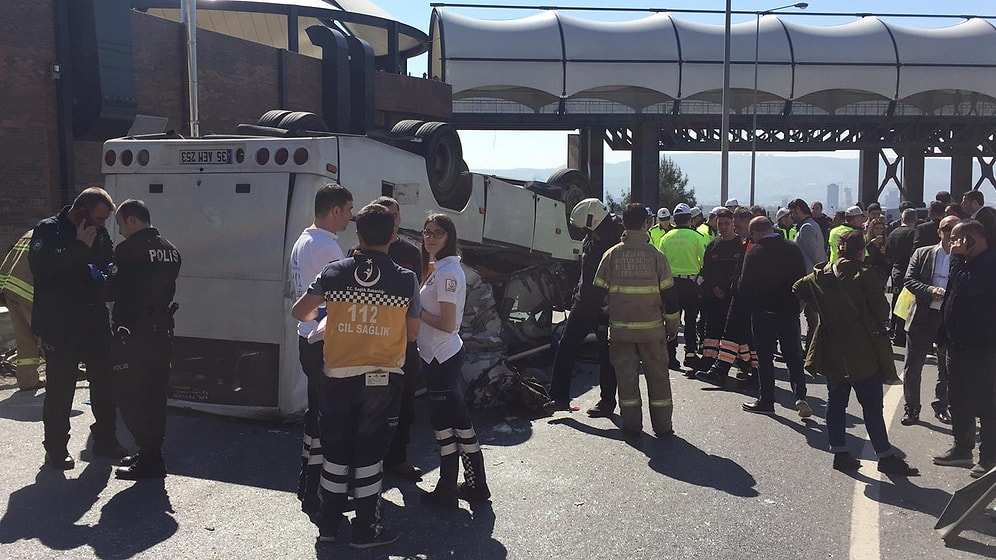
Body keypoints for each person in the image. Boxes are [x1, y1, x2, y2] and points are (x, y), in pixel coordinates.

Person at [291, 203, 420, 547]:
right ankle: (367, 530)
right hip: (382, 379)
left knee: (335, 453)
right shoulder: (406, 279)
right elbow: (411, 334)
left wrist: (334, 317)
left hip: (337, 374)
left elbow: (299, 311)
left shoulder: (335, 272)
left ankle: (329, 525)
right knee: (369, 455)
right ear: (394, 235)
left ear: (358, 235)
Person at [793, 231, 919, 475]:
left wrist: (819, 305)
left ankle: (840, 452)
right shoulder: (865, 276)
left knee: (836, 401)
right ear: (862, 251)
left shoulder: (821, 274)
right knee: (871, 405)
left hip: (832, 346)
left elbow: (797, 288)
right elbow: (882, 312)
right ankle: (884, 455)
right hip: (862, 348)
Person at [29, 187, 125, 470]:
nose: (102, 224)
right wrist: (78, 248)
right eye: (98, 218)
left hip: (93, 320)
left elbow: (106, 264)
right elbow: (41, 269)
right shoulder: (48, 230)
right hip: (60, 323)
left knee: (104, 384)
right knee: (61, 388)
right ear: (81, 212)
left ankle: (106, 440)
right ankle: (56, 449)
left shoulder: (99, 233)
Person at [288, 183, 353, 520]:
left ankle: (307, 481)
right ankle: (318, 487)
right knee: (326, 416)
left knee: (315, 412)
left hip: (306, 333)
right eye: (348, 209)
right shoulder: (328, 247)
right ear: (335, 210)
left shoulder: (304, 239)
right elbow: (340, 297)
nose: (351, 217)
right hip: (322, 337)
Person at [418, 213, 491, 508]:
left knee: (454, 423)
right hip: (436, 356)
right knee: (448, 424)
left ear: (450, 237)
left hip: (442, 357)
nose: (430, 237)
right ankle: (457, 485)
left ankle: (464, 486)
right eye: (427, 232)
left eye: (438, 232)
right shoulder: (440, 267)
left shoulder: (448, 272)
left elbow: (448, 323)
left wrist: (414, 310)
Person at [106, 199, 181, 480]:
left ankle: (150, 458)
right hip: (161, 332)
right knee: (154, 396)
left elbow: (113, 290)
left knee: (130, 395)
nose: (121, 232)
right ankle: (150, 453)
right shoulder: (171, 251)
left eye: (121, 225)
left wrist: (98, 280)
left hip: (133, 335)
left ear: (132, 221)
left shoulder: (128, 250)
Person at [592, 203, 681, 436]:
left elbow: (597, 295)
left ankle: (632, 427)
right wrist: (672, 325)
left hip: (620, 333)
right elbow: (669, 296)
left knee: (627, 382)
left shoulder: (610, 256)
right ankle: (663, 428)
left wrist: (609, 317)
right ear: (647, 224)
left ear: (623, 224)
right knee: (659, 380)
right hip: (652, 333)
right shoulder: (656, 257)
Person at [545, 198, 623, 416]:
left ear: (592, 220)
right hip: (587, 302)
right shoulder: (598, 234)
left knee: (604, 353)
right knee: (571, 346)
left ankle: (603, 402)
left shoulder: (611, 239)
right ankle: (565, 398)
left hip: (599, 304)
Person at [933, 220, 996, 478]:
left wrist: (956, 259)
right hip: (957, 345)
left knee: (984, 403)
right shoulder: (965, 264)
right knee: (958, 399)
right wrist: (942, 335)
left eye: (957, 239)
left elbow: (967, 287)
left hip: (981, 348)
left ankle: (990, 456)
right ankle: (962, 449)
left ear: (972, 239)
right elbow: (952, 297)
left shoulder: (989, 262)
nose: (951, 245)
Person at [369, 197, 425, 481]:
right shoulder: (358, 252)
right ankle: (367, 460)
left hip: (404, 341)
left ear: (399, 220)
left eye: (394, 215)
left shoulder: (411, 252)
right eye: (384, 216)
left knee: (404, 402)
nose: (390, 221)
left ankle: (397, 457)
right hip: (370, 342)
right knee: (370, 403)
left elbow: (417, 290)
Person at [738, 217, 810, 417]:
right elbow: (801, 279)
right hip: (789, 311)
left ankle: (767, 399)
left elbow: (744, 286)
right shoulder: (793, 249)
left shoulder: (755, 252)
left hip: (764, 312)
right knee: (793, 356)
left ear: (755, 233)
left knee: (765, 357)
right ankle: (800, 395)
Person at [900, 215, 958, 426]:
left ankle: (941, 406)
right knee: (913, 367)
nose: (951, 233)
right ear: (939, 232)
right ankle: (911, 409)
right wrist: (929, 290)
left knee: (946, 367)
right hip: (923, 316)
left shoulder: (964, 258)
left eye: (955, 229)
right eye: (947, 228)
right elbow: (909, 280)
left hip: (948, 319)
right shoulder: (922, 253)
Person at [693, 209, 747, 385]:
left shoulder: (742, 245)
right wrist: (713, 287)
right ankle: (710, 362)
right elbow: (706, 271)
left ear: (732, 223)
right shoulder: (712, 246)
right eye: (720, 224)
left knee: (738, 335)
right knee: (713, 332)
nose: (723, 227)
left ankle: (744, 367)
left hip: (735, 298)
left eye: (726, 224)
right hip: (715, 298)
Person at [658, 203, 706, 370]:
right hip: (691, 284)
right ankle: (690, 354)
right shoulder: (697, 237)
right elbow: (704, 261)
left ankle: (671, 357)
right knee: (691, 321)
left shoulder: (666, 237)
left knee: (672, 321)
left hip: (671, 285)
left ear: (674, 219)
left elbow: (660, 263)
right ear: (689, 219)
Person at [0, 230, 45, 391]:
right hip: (30, 290)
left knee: (24, 336)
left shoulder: (34, 232)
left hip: (9, 286)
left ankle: (28, 380)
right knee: (48, 334)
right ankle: (61, 373)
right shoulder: (60, 234)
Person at [787, 199, 828, 352]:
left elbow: (815, 255)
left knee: (797, 315)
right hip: (809, 278)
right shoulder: (810, 225)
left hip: (807, 278)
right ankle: (809, 349)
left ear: (798, 209)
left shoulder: (806, 228)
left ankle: (802, 349)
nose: (791, 216)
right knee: (811, 316)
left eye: (792, 212)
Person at [885, 208, 918, 345]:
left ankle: (893, 328)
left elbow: (887, 254)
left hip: (895, 269)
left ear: (902, 218)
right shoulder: (913, 233)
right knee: (907, 302)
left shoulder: (893, 233)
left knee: (896, 298)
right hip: (908, 270)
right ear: (914, 220)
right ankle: (901, 333)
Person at [864, 217, 890, 285]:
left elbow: (889, 260)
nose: (879, 231)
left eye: (881, 229)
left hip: (882, 272)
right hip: (869, 270)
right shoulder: (866, 240)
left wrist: (886, 253)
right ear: (871, 229)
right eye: (876, 228)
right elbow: (864, 255)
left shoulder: (885, 241)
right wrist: (871, 244)